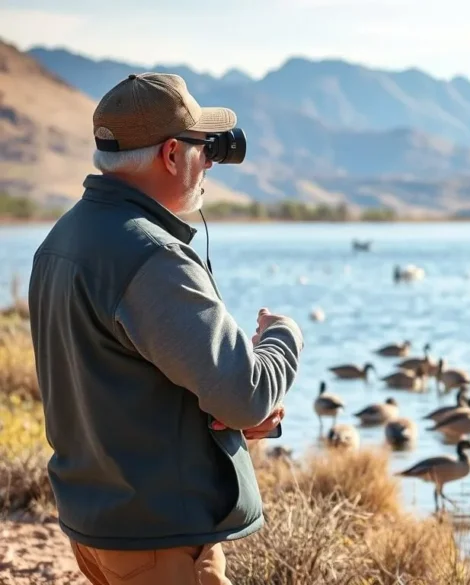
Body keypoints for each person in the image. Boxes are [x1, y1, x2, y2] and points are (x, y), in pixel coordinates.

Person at [27, 73, 305, 585]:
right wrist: (284, 338)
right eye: (206, 148)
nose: (211, 165)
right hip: (161, 543)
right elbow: (247, 395)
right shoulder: (152, 257)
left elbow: (114, 384)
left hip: (99, 527)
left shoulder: (63, 239)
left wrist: (225, 419)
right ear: (173, 154)